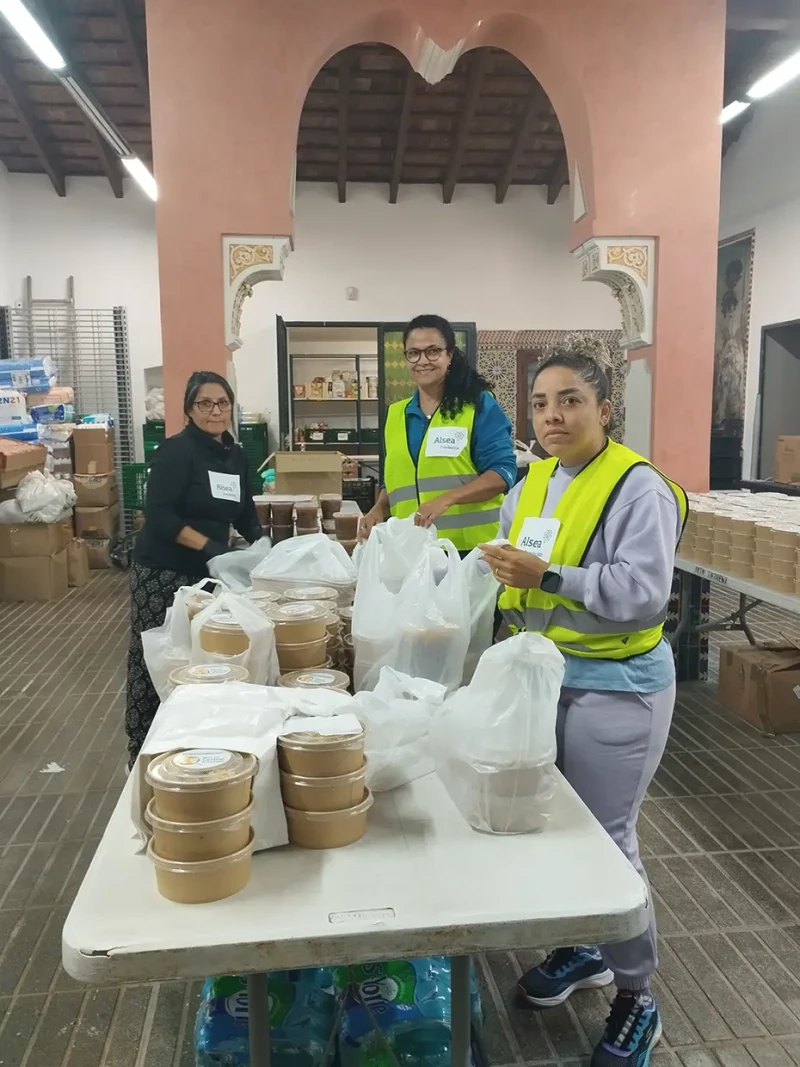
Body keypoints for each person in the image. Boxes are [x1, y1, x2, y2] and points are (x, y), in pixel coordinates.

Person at [480, 347, 687, 1067]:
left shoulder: (639, 488)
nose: (552, 415)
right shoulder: (533, 480)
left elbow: (643, 591)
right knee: (555, 826)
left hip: (617, 683)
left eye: (569, 400)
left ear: (604, 409)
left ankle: (637, 996)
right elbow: (514, 558)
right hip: (545, 677)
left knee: (607, 837)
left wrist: (550, 575)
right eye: (540, 402)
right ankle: (585, 943)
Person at [125, 371, 261, 764]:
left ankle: (190, 742)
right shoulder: (177, 451)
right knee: (156, 654)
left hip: (206, 572)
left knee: (196, 657)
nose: (215, 411)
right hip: (163, 572)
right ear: (189, 409)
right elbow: (160, 517)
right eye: (205, 403)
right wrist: (213, 549)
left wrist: (262, 544)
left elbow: (244, 511)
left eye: (222, 403)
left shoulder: (234, 455)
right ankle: (145, 749)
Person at [360, 314, 515, 552]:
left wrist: (448, 498)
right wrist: (379, 508)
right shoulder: (395, 415)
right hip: (410, 550)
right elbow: (393, 481)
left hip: (470, 552)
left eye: (433, 351)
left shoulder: (477, 406)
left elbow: (502, 473)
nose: (423, 360)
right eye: (413, 353)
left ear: (449, 355)